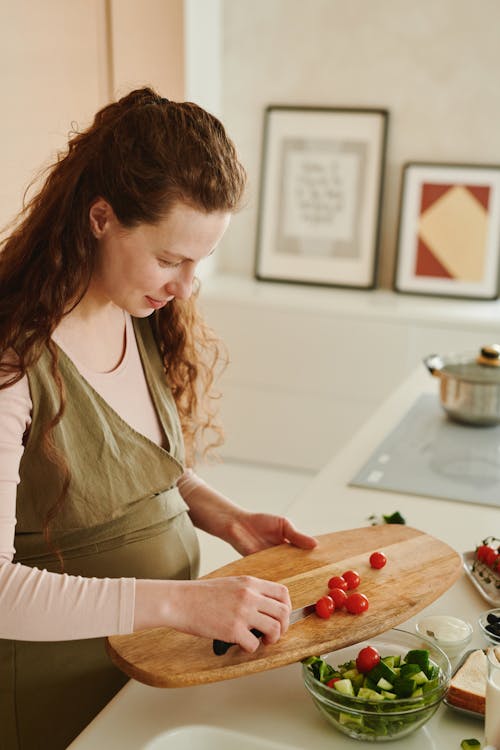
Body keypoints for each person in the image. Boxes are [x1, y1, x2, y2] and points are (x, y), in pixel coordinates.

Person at [0, 87, 317, 749]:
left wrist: (222, 513)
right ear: (100, 217)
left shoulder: (132, 306)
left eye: (200, 261)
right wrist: (181, 603)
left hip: (152, 672)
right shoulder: (12, 361)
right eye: (170, 258)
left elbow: (126, 469)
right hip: (56, 703)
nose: (184, 287)